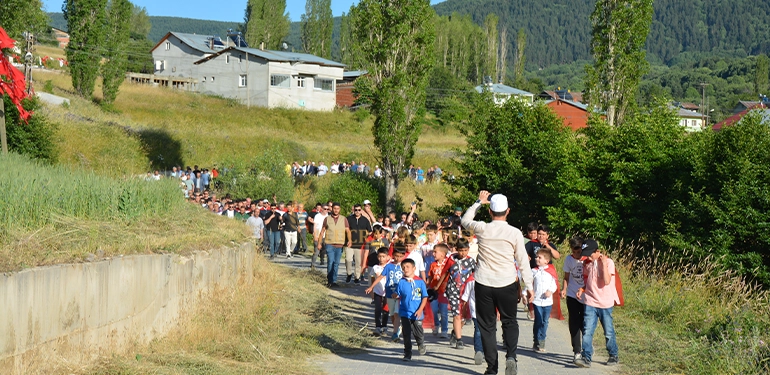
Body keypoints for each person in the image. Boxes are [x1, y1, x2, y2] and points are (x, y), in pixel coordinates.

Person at [461, 191, 533, 375]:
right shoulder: (515, 232)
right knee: (509, 321)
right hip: (507, 282)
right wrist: (529, 287)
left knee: (487, 326)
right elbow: (523, 261)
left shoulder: (482, 228)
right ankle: (511, 356)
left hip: (484, 282)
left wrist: (478, 202)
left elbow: (465, 220)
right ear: (508, 211)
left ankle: (492, 368)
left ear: (490, 212)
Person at [575, 239, 620, 368]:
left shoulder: (609, 263)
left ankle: (613, 355)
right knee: (587, 330)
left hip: (605, 303)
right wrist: (582, 289)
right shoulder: (587, 263)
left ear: (598, 251)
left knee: (608, 331)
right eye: (586, 254)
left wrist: (604, 263)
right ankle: (586, 357)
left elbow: (606, 281)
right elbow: (588, 280)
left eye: (591, 254)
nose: (588, 256)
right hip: (590, 301)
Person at [366, 245, 406, 342]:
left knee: (396, 313)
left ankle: (395, 333)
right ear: (392, 256)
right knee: (391, 314)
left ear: (404, 256)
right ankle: (396, 328)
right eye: (396, 256)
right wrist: (371, 287)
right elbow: (379, 277)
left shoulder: (404, 266)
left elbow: (409, 278)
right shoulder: (388, 266)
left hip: (400, 294)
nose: (398, 258)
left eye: (401, 256)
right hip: (389, 293)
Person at [395, 258, 428, 361]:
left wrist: (420, 309)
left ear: (414, 268)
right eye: (403, 267)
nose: (405, 269)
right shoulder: (401, 282)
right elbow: (398, 293)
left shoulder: (420, 282)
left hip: (416, 313)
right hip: (405, 312)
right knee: (406, 333)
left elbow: (424, 297)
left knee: (418, 332)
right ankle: (407, 353)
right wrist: (395, 294)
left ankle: (420, 343)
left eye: (408, 267)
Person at [446, 238, 475, 349]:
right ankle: (459, 340)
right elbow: (445, 273)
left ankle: (455, 332)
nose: (463, 253)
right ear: (456, 249)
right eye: (460, 250)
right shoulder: (451, 259)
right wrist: (437, 287)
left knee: (464, 317)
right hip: (453, 290)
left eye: (465, 250)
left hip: (466, 291)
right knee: (456, 314)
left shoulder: (471, 261)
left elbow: (475, 274)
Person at [562, 237, 586, 362]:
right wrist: (564, 289)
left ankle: (587, 347)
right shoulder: (569, 259)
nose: (577, 255)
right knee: (574, 323)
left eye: (579, 252)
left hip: (585, 296)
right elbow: (566, 277)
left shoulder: (587, 260)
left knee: (584, 323)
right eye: (574, 252)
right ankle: (577, 350)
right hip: (572, 294)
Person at [317, 203, 352, 287]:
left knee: (336, 263)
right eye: (335, 208)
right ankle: (330, 281)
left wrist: (350, 240)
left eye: (338, 208)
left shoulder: (344, 219)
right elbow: (322, 231)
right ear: (331, 208)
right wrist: (319, 243)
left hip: (339, 244)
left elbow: (348, 231)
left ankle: (334, 281)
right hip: (329, 243)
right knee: (330, 262)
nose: (336, 210)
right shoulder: (327, 219)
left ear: (340, 209)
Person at [532, 249, 557, 352]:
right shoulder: (534, 271)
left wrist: (550, 291)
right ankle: (536, 340)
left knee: (545, 321)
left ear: (546, 260)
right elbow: (529, 283)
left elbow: (554, 284)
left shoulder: (551, 271)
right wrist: (525, 294)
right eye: (536, 257)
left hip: (547, 302)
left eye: (539, 257)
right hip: (537, 300)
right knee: (538, 320)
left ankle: (542, 340)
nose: (537, 259)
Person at [428, 243, 453, 338]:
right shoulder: (433, 265)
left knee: (444, 312)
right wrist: (427, 286)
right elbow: (430, 277)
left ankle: (444, 330)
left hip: (444, 291)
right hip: (434, 291)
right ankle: (436, 324)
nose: (433, 254)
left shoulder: (448, 264)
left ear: (442, 254)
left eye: (435, 252)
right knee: (433, 310)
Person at [461, 277, 484, 365]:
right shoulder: (471, 280)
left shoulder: (490, 275)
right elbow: (465, 297)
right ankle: (479, 351)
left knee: (481, 331)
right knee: (479, 330)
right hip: (476, 310)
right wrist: (464, 312)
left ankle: (484, 352)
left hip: (488, 311)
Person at [346, 204, 372, 284]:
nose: (357, 211)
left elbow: (370, 231)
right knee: (348, 259)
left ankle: (357, 277)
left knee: (358, 262)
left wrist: (366, 236)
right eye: (356, 210)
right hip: (350, 243)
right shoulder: (349, 219)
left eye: (359, 210)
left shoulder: (365, 220)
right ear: (353, 210)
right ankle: (349, 274)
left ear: (361, 210)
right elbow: (346, 229)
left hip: (360, 244)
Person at [371, 247, 391, 336]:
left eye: (383, 256)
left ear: (387, 257)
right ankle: (378, 327)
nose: (381, 259)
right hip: (377, 291)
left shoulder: (390, 267)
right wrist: (371, 289)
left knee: (386, 310)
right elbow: (372, 278)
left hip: (387, 292)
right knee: (378, 309)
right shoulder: (375, 267)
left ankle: (384, 326)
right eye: (379, 256)